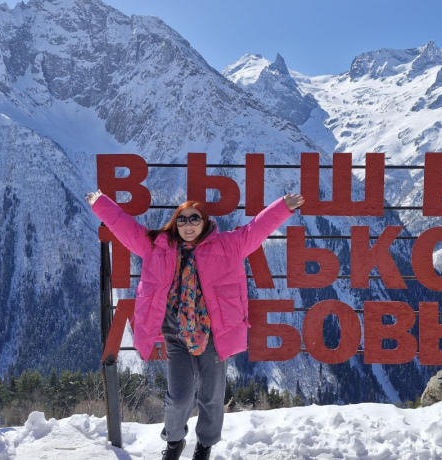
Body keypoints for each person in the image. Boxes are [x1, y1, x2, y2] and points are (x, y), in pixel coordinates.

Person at [86, 189, 304, 460]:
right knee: (179, 397)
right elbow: (125, 227)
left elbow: (257, 229)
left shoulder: (228, 245)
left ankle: (205, 445)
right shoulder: (157, 246)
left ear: (205, 222)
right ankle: (174, 441)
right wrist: (101, 204)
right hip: (175, 332)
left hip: (215, 332)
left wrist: (283, 206)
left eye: (194, 219)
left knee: (211, 396)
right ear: (175, 223)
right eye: (182, 219)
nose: (188, 225)